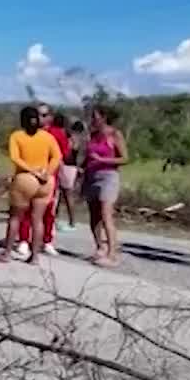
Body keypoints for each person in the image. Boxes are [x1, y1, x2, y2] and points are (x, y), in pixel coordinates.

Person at [0, 106, 61, 264]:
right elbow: (57, 156)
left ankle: (7, 253)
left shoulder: (17, 136)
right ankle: (35, 256)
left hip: (25, 178)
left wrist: (32, 171)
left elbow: (15, 158)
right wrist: (47, 172)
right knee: (37, 220)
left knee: (15, 218)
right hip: (46, 181)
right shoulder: (47, 137)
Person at [15, 103, 67, 258]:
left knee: (48, 212)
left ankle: (47, 241)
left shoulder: (57, 134)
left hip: (48, 178)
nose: (39, 118)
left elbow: (60, 156)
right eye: (37, 115)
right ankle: (24, 240)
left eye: (44, 115)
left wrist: (48, 172)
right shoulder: (27, 133)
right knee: (26, 210)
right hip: (28, 177)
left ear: (50, 117)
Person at [83, 105, 129, 267]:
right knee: (94, 215)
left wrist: (102, 160)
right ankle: (99, 247)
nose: (92, 119)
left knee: (106, 214)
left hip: (108, 176)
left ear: (103, 117)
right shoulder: (92, 135)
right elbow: (87, 156)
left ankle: (112, 253)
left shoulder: (115, 134)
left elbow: (124, 158)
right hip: (91, 176)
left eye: (95, 116)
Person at [53, 113, 79, 229]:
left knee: (67, 194)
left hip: (67, 166)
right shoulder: (68, 136)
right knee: (58, 194)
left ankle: (72, 221)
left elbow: (72, 150)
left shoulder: (71, 137)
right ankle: (55, 218)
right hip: (66, 165)